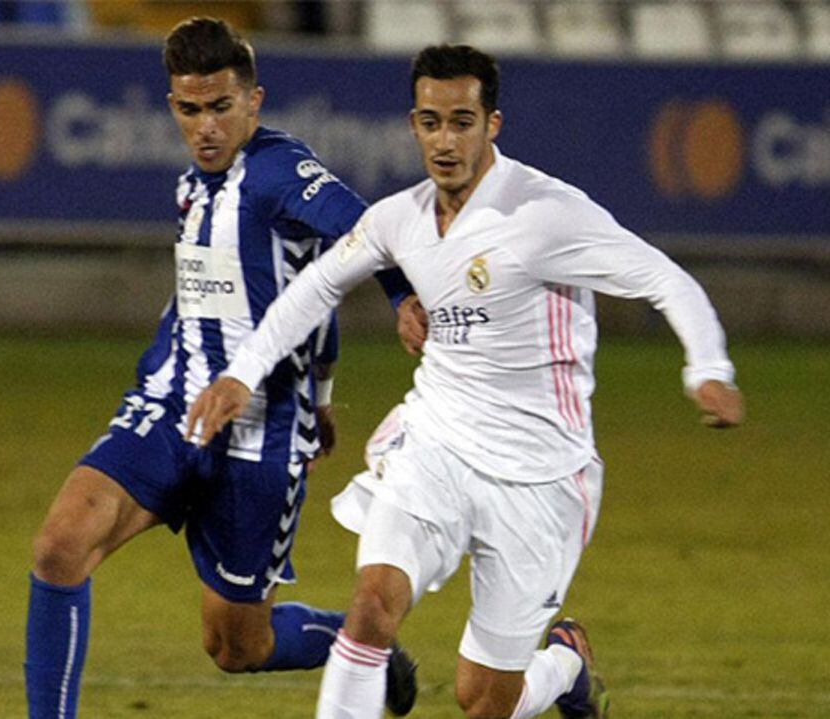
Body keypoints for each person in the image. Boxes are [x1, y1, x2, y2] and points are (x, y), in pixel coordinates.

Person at [188, 44, 745, 719]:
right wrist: (244, 373)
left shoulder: (544, 214)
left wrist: (707, 368)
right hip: (437, 445)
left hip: (539, 476)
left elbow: (662, 277)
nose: (444, 140)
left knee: (484, 700)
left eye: (461, 121)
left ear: (493, 125)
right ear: (414, 124)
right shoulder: (403, 218)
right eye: (429, 122)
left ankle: (564, 663)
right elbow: (318, 285)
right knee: (371, 607)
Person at [23, 17, 420, 719]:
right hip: (173, 398)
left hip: (260, 431)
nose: (205, 126)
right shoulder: (192, 187)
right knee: (61, 544)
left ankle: (359, 643)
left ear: (254, 102)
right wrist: (323, 389)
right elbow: (297, 292)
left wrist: (401, 299)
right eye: (188, 109)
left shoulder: (277, 171)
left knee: (237, 645)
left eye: (220, 107)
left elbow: (365, 231)